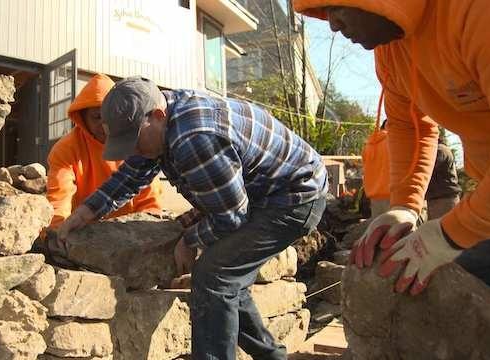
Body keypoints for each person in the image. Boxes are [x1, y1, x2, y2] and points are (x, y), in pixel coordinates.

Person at [58, 77, 328, 360]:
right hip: (261, 193)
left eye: (134, 141)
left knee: (214, 275)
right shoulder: (161, 123)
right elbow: (132, 175)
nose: (133, 150)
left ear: (157, 115)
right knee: (228, 274)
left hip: (294, 197)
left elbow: (232, 215)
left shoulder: (193, 138)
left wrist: (190, 239)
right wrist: (85, 212)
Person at [294, 0, 490, 294]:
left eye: (337, 8)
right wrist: (404, 206)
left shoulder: (481, 12)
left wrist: (449, 235)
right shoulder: (390, 50)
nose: (333, 25)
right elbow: (407, 125)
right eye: (324, 13)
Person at [45, 74, 162, 230]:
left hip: (132, 229)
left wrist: (151, 229)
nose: (105, 124)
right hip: (84, 231)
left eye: (110, 116)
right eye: (97, 117)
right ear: (82, 118)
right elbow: (60, 199)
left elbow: (149, 200)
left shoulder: (135, 141)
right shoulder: (65, 149)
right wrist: (57, 232)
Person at [426, 138, 461, 220]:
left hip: (444, 199)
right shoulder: (440, 149)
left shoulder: (440, 150)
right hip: (437, 199)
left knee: (444, 229)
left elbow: (429, 168)